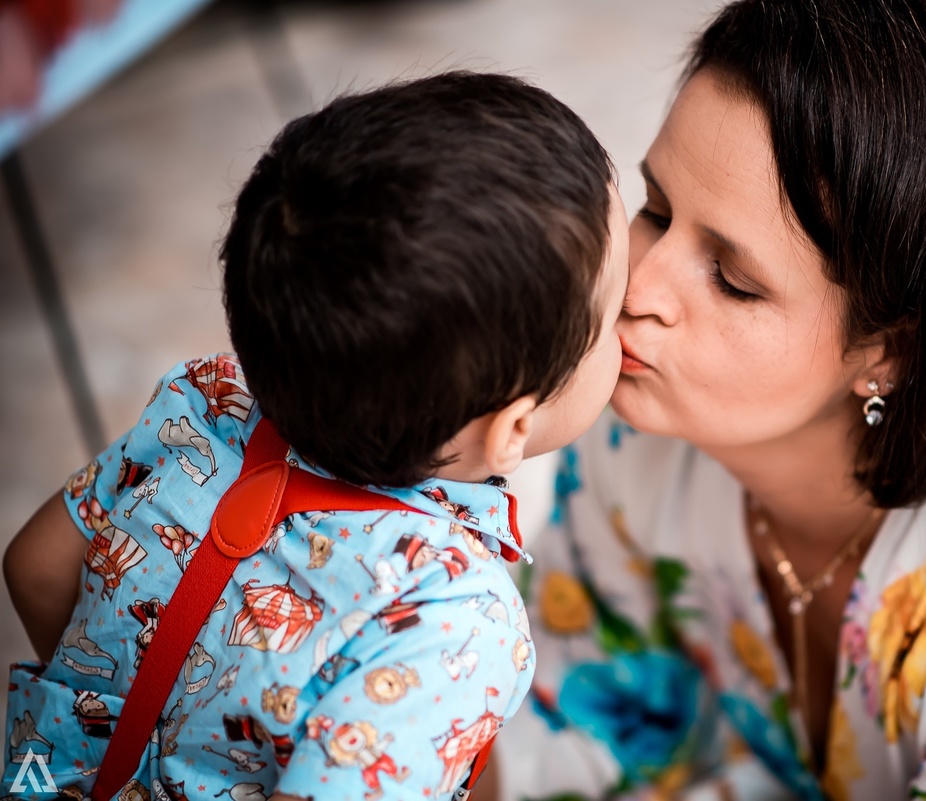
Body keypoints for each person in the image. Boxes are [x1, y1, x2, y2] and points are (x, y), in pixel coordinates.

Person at [488, 1, 926, 799]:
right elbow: (583, 739)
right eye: (657, 209)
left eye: (733, 279)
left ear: (888, 350)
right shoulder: (636, 415)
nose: (636, 288)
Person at [2, 71, 629, 800]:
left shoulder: (205, 398)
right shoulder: (458, 620)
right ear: (514, 427)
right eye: (612, 315)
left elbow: (37, 564)